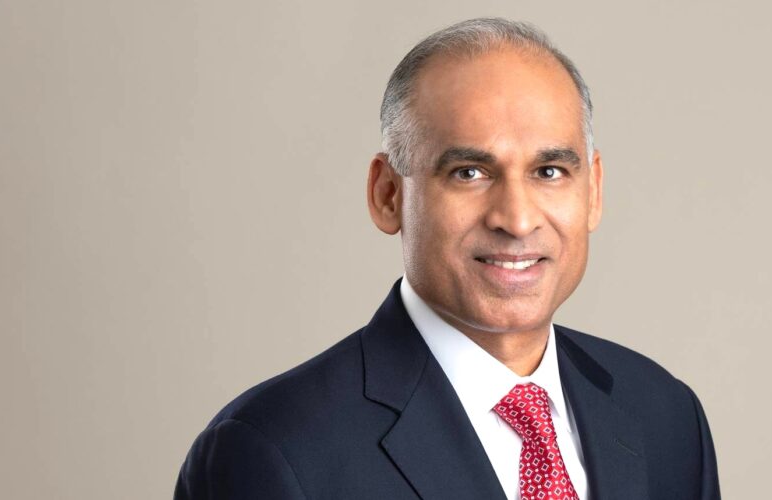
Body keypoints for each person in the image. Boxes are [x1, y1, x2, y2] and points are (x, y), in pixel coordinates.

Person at [174, 17, 720, 500]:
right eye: (469, 173)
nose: (517, 218)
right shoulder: (274, 452)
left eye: (549, 171)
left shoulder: (665, 416)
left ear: (594, 192)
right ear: (388, 194)